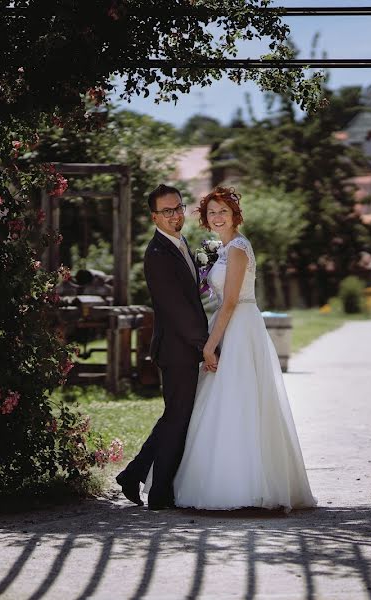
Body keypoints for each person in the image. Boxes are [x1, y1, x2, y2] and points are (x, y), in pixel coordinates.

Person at [171, 186, 316, 511]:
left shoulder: (237, 248)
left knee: (240, 398)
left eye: (223, 211)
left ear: (235, 215)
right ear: (205, 219)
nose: (217, 217)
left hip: (239, 325)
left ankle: (249, 486)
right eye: (212, 213)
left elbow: (232, 301)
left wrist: (210, 345)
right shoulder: (220, 249)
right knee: (225, 399)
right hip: (229, 322)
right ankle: (227, 479)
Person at [115, 184, 208, 510]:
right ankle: (159, 494)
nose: (175, 215)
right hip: (176, 348)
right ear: (154, 216)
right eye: (167, 211)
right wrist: (205, 345)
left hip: (185, 346)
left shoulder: (181, 244)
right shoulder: (156, 254)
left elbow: (199, 271)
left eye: (178, 207)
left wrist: (223, 240)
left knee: (176, 416)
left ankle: (134, 475)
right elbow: (177, 308)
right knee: (178, 418)